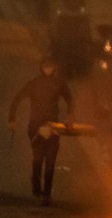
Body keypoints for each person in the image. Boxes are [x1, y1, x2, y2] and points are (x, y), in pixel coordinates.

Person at [8, 56, 74, 206]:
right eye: (45, 66)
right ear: (41, 67)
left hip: (53, 129)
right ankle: (36, 188)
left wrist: (70, 115)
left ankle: (46, 194)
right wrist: (12, 119)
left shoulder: (59, 84)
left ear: (54, 67)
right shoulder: (33, 84)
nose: (48, 69)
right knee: (38, 159)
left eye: (50, 66)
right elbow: (17, 99)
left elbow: (70, 99)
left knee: (50, 162)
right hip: (35, 129)